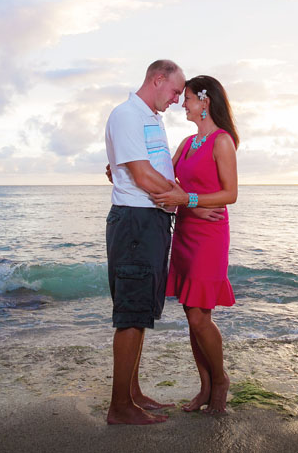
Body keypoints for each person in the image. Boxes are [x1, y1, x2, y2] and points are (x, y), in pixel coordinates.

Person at [104, 59, 187, 425]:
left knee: (141, 310)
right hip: (136, 222)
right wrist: (184, 197)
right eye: (175, 91)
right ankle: (119, 407)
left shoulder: (151, 118)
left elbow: (146, 169)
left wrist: (173, 197)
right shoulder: (127, 115)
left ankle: (132, 394)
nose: (177, 100)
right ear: (157, 80)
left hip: (150, 221)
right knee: (131, 313)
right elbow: (140, 174)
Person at [152, 75, 239, 414]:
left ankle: (220, 381)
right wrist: (124, 168)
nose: (182, 104)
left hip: (210, 238)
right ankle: (204, 387)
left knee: (202, 318)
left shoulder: (222, 141)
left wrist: (189, 200)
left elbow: (230, 194)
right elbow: (165, 181)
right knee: (192, 315)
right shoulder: (187, 144)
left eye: (187, 98)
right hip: (186, 232)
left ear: (205, 101)